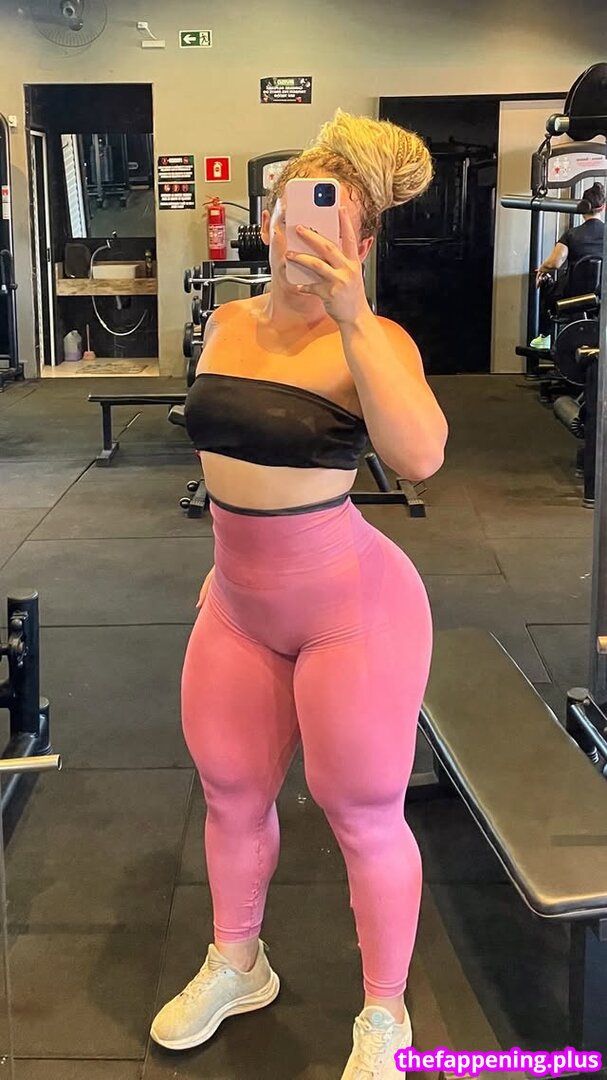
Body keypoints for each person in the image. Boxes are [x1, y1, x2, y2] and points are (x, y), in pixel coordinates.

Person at [151, 110, 448, 1078]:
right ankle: (238, 963)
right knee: (231, 793)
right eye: (291, 214)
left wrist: (354, 317)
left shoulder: (376, 340)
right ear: (269, 222)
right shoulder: (227, 323)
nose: (303, 235)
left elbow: (420, 457)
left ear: (361, 243)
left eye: (331, 223)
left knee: (359, 810)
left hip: (349, 609)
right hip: (238, 603)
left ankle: (384, 1013)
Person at [529, 180, 605, 349]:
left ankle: (545, 337)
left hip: (572, 295)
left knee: (547, 286)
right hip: (602, 295)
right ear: (603, 207)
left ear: (582, 208)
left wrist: (542, 269)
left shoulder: (572, 234)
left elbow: (554, 263)